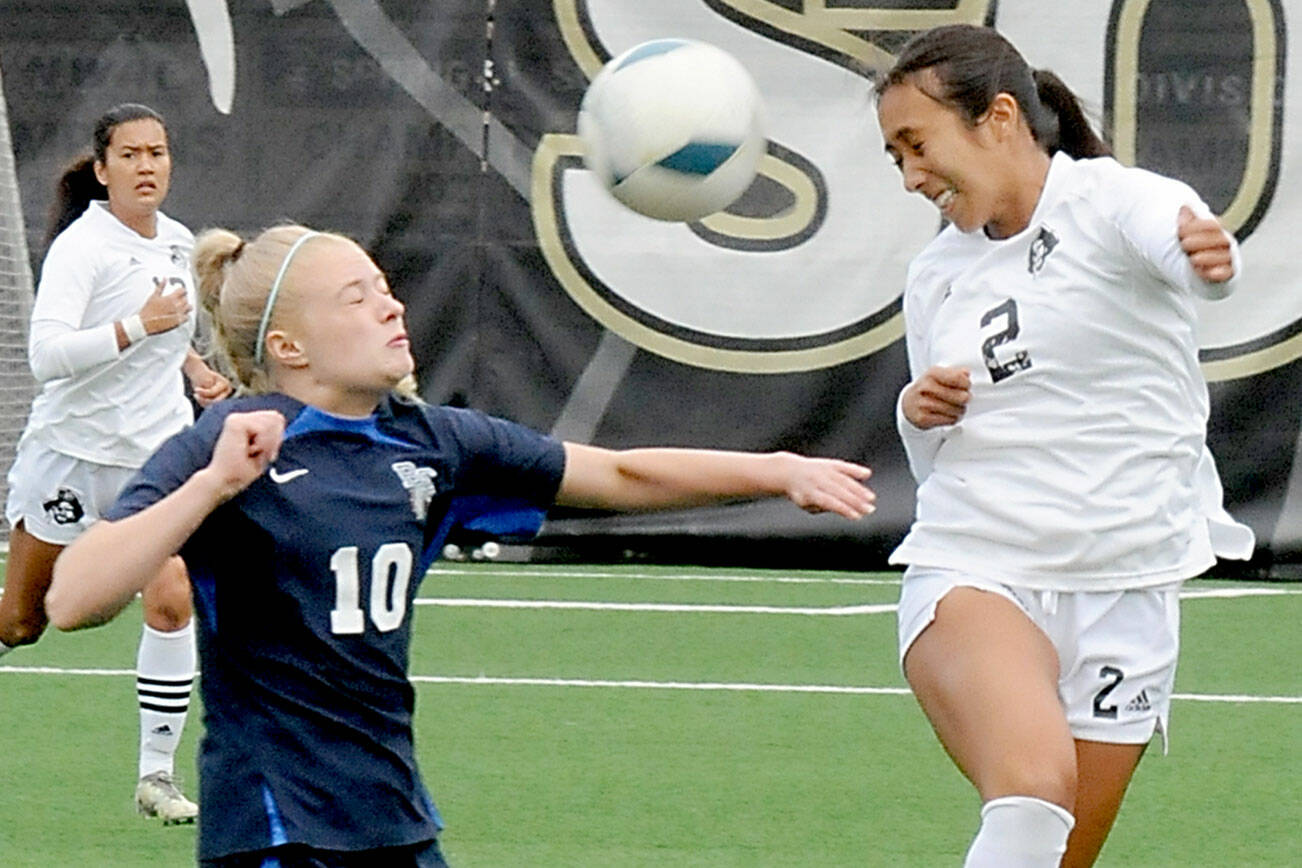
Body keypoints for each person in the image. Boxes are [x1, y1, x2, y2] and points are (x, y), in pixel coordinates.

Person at [42, 223, 876, 866]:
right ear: (289, 347)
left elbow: (619, 474)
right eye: (357, 296)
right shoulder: (235, 440)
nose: (391, 304)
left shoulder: (433, 442)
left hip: (393, 816)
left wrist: (773, 469)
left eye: (386, 287)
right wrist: (212, 485)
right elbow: (73, 597)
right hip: (274, 826)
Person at [873, 24, 1254, 868]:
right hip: (979, 564)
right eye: (893, 155)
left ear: (999, 116)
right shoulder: (938, 275)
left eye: (917, 144)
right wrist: (916, 411)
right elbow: (931, 459)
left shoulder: (1110, 201)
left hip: (1130, 587)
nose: (909, 176)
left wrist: (1205, 259)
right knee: (1032, 795)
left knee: (1058, 856)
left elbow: (1178, 239)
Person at [0, 103, 231, 824]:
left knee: (172, 596)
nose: (147, 166)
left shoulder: (177, 241)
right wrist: (138, 328)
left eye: (157, 152)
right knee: (22, 623)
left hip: (154, 461)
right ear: (103, 171)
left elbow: (172, 321)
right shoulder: (83, 247)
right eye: (130, 155)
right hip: (72, 458)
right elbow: (47, 358)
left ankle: (155, 777)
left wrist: (192, 365)